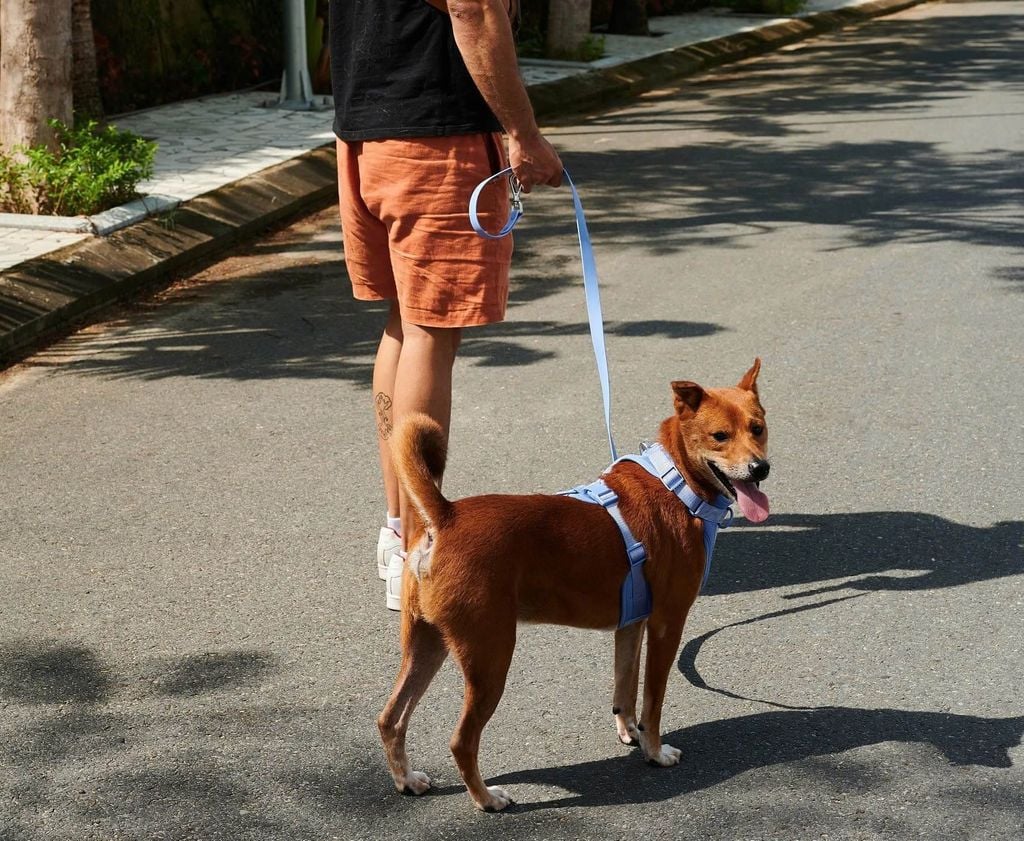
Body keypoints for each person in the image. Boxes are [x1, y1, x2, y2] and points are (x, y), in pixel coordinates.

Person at [330, 0, 564, 609]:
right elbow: (474, 7)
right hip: (436, 137)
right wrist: (524, 134)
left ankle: (399, 532)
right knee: (430, 332)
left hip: (363, 131)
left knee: (405, 327)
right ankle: (417, 548)